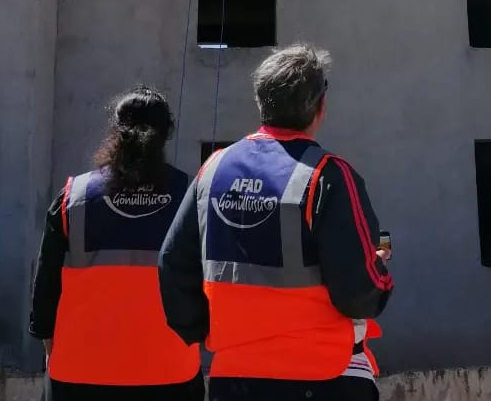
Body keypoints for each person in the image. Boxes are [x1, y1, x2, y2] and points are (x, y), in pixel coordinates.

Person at [158, 44, 394, 401]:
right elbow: (358, 293)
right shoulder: (328, 175)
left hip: (233, 378)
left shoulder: (214, 169)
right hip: (324, 377)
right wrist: (379, 271)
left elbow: (173, 265)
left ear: (260, 102)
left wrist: (207, 333)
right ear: (320, 107)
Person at [29, 87, 203, 401]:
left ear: (116, 131)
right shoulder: (191, 195)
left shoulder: (74, 195)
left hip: (78, 372)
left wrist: (50, 347)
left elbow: (46, 285)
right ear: (166, 135)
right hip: (169, 372)